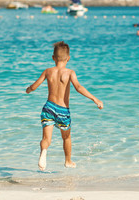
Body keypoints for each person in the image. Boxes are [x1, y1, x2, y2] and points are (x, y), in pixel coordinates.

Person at [26, 41, 103, 171]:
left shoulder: (48, 71)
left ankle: (43, 152)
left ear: (53, 58)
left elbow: (34, 86)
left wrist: (28, 89)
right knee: (66, 137)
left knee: (46, 138)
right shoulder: (70, 72)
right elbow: (78, 87)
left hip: (48, 107)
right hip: (63, 110)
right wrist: (94, 99)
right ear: (68, 58)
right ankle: (68, 161)